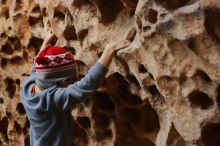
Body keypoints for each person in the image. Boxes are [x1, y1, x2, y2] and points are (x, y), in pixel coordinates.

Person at [21, 29, 130, 146]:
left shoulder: (28, 85)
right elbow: (86, 86)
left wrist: (46, 43)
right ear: (63, 81)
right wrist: (109, 50)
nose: (74, 79)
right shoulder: (52, 100)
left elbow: (36, 67)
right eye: (72, 78)